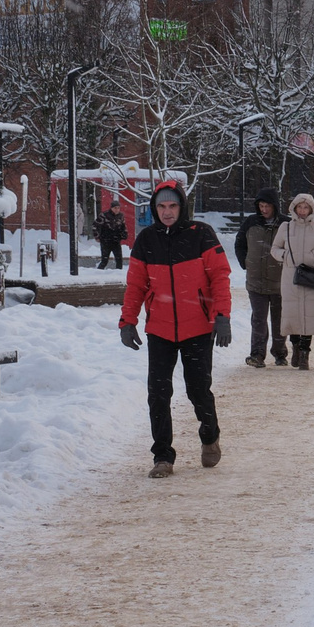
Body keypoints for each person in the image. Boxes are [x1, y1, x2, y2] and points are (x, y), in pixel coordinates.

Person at [119, 180, 231, 478]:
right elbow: (136, 285)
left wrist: (222, 316)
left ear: (181, 207)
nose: (167, 212)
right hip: (160, 329)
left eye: (172, 206)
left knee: (197, 390)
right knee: (158, 392)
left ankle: (209, 436)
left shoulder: (201, 235)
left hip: (197, 327)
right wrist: (127, 321)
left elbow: (220, 276)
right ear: (154, 209)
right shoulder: (146, 240)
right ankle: (163, 456)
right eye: (161, 206)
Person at [269, 192, 314, 369]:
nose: (303, 210)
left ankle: (305, 352)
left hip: (313, 276)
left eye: (306, 207)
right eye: (300, 207)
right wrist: (284, 255)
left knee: (309, 315)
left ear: (311, 209)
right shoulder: (286, 227)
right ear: (294, 208)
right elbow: (274, 248)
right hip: (291, 276)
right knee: (293, 315)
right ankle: (296, 347)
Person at [234, 188, 287, 369]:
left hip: (280, 280)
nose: (264, 210)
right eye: (261, 206)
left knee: (279, 319)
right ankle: (257, 354)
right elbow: (239, 243)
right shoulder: (250, 222)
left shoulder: (286, 224)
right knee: (258, 319)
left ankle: (280, 353)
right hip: (255, 280)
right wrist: (246, 262)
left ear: (275, 206)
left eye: (267, 206)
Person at [95, 200, 127, 270]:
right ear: (111, 208)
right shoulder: (104, 215)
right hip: (105, 240)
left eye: (118, 208)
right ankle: (99, 272)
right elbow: (96, 225)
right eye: (115, 208)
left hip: (116, 240)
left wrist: (124, 234)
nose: (117, 210)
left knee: (119, 260)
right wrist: (97, 236)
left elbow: (123, 226)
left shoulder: (120, 216)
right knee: (104, 260)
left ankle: (118, 273)